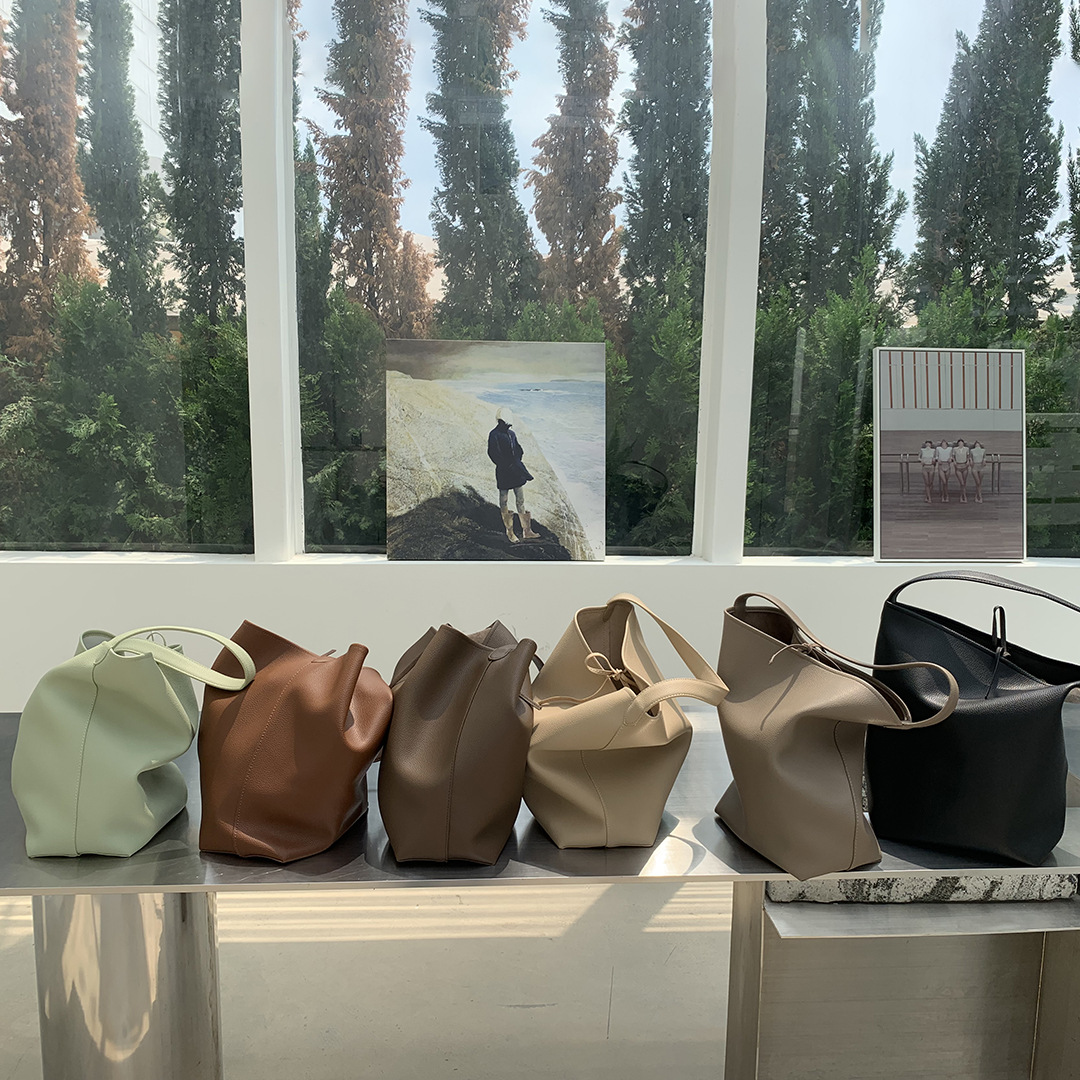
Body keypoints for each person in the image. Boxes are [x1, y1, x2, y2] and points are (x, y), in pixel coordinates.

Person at [487, 407, 540, 543]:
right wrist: (508, 465)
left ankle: (526, 531)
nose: (507, 426)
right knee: (504, 500)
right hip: (504, 471)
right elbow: (493, 453)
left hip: (515, 471)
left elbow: (518, 449)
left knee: (520, 500)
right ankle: (510, 532)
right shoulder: (494, 434)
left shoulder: (512, 434)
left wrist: (516, 461)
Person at [934, 438, 953, 502]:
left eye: (945, 444)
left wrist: (950, 459)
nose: (944, 445)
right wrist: (937, 459)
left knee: (946, 482)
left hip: (947, 465)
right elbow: (936, 456)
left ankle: (946, 495)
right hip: (941, 465)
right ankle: (944, 495)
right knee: (944, 481)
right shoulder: (938, 449)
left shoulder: (950, 449)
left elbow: (951, 456)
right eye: (942, 444)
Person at [953, 438, 971, 503]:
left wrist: (968, 461)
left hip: (964, 465)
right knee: (962, 482)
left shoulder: (966, 449)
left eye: (961, 443)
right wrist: (954, 461)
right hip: (958, 465)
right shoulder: (955, 449)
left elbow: (968, 456)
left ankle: (963, 495)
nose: (960, 444)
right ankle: (963, 496)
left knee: (964, 482)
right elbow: (953, 456)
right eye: (959, 443)